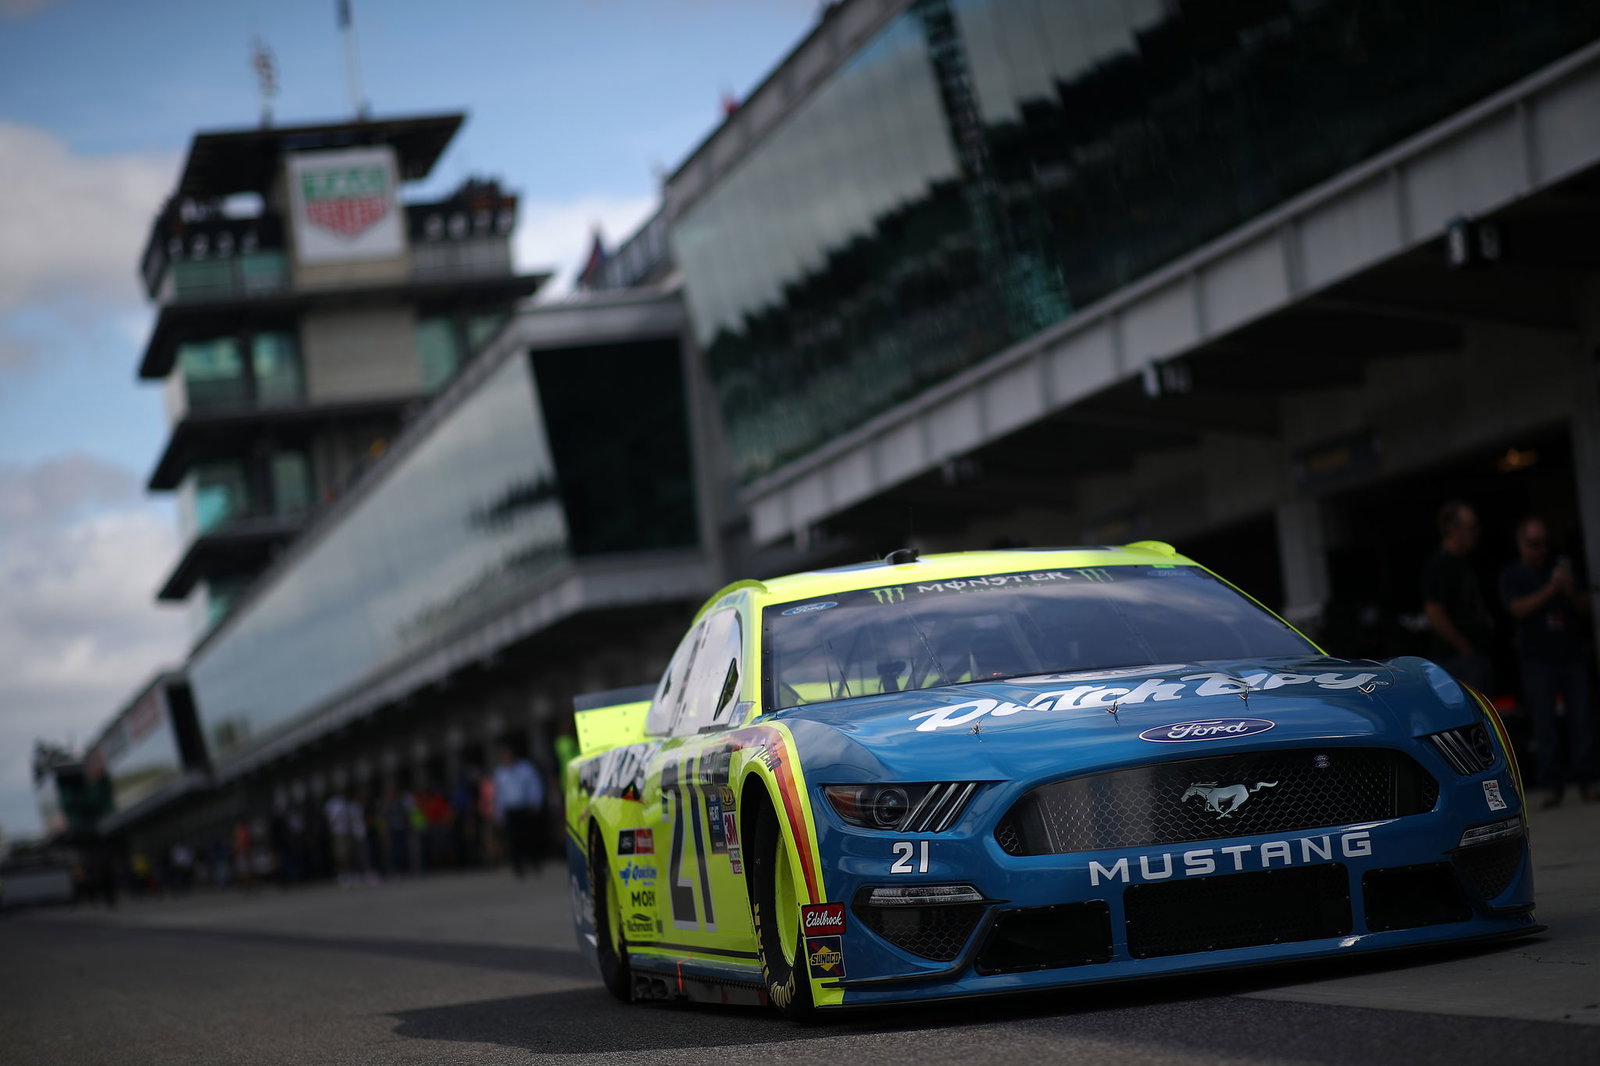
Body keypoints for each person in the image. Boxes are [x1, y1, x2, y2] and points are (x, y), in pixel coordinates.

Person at [1499, 516, 1597, 807]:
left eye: (1544, 543)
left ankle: (1588, 781)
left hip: (1570, 656)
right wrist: (1551, 590)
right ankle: (1552, 787)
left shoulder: (1560, 568)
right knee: (1545, 727)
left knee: (1581, 722)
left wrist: (1567, 589)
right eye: (1534, 544)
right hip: (1537, 661)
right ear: (1521, 544)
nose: (1540, 549)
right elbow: (1517, 609)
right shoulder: (1513, 575)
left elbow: (1584, 607)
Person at [1422, 501, 1496, 693]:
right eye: (1470, 528)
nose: (1475, 533)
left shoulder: (1468, 562)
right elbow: (1434, 613)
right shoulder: (1439, 565)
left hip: (1474, 655)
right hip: (1456, 660)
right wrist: (1462, 645)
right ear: (1452, 530)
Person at [493, 745, 545, 878]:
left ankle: (535, 863)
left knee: (529, 837)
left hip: (525, 808)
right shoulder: (501, 774)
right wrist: (499, 813)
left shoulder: (525, 769)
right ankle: (518, 867)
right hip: (511, 810)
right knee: (514, 840)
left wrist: (535, 802)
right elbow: (499, 795)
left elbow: (534, 786)